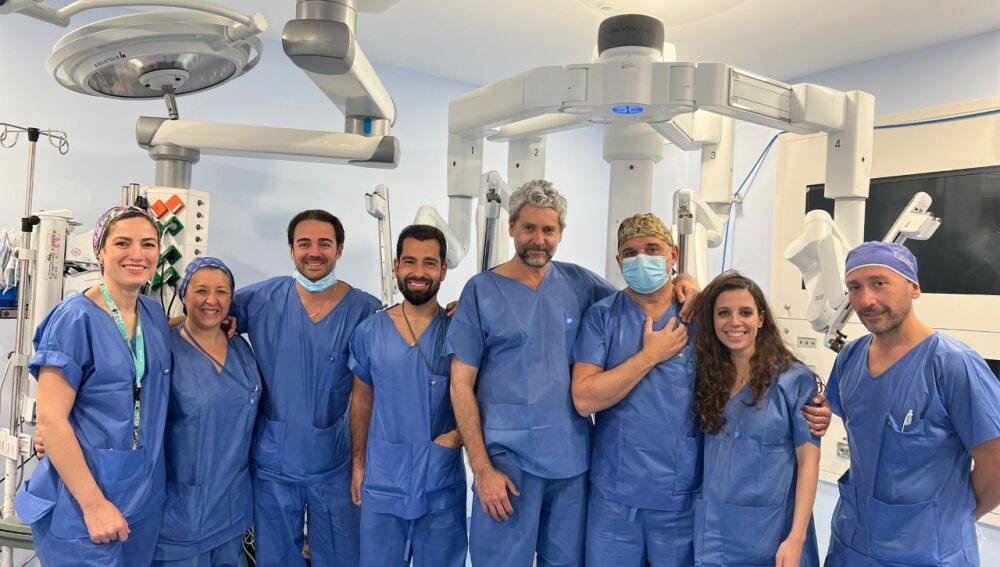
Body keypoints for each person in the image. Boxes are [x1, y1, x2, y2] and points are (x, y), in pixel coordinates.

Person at [447, 181, 698, 567]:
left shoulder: (579, 284)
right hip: (506, 465)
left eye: (548, 230)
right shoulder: (481, 292)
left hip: (570, 465)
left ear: (560, 233)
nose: (538, 239)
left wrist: (685, 281)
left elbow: (638, 297)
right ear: (511, 228)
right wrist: (480, 469)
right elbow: (460, 384)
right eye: (529, 228)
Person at [824, 241, 1000, 567]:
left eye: (879, 283)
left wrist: (950, 520)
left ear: (914, 288)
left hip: (929, 553)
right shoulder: (850, 357)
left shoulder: (952, 364)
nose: (866, 300)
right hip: (852, 543)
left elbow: (996, 462)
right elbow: (861, 437)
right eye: (854, 287)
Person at [15, 206, 172, 566]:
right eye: (123, 243)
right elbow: (51, 420)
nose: (137, 254)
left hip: (142, 498)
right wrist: (94, 505)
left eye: (148, 244)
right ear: (100, 251)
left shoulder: (153, 315)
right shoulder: (75, 319)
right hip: (81, 504)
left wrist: (220, 321)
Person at [232, 210, 380, 566]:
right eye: (304, 244)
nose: (314, 252)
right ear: (291, 250)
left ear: (339, 250)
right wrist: (149, 319)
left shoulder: (364, 310)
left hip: (334, 464)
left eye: (324, 244)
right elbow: (205, 311)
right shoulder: (263, 299)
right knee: (276, 556)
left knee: (343, 554)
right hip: (273, 463)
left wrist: (455, 312)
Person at [570, 213, 700, 566]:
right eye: (630, 252)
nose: (641, 258)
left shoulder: (698, 315)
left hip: (679, 496)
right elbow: (584, 398)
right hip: (615, 496)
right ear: (619, 261)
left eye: (652, 249)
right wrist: (650, 356)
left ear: (673, 255)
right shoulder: (602, 317)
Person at [348, 225, 466, 567]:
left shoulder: (459, 330)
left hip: (439, 479)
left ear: (443, 270)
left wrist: (458, 435)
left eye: (430, 263)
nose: (419, 272)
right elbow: (361, 399)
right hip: (383, 479)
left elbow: (480, 394)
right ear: (396, 265)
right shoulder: (370, 332)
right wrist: (358, 462)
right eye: (410, 261)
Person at [690, 271, 821, 567]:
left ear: (761, 319)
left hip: (773, 535)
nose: (734, 322)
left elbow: (808, 463)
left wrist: (796, 538)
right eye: (723, 313)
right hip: (714, 534)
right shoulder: (707, 378)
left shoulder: (794, 380)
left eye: (745, 312)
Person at [152, 258, 262, 566]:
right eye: (201, 290)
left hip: (232, 510)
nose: (211, 300)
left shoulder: (241, 348)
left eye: (221, 292)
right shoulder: (164, 350)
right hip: (180, 516)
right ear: (184, 295)